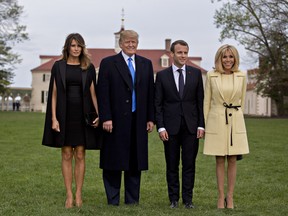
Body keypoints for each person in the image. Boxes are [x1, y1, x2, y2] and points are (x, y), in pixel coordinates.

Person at [42, 33, 100, 208]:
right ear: (67, 47)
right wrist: (53, 118)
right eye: (73, 45)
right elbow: (53, 94)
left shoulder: (88, 67)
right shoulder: (58, 66)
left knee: (81, 154)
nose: (76, 49)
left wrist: (98, 114)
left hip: (82, 115)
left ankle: (79, 194)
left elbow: (93, 93)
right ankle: (69, 195)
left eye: (79, 46)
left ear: (82, 48)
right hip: (63, 114)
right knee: (67, 153)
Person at [97, 30, 154, 206]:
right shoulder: (108, 63)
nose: (131, 45)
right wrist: (106, 117)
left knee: (135, 160)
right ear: (121, 43)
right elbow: (102, 92)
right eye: (128, 42)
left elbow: (150, 93)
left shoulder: (146, 64)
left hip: (138, 119)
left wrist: (150, 118)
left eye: (134, 42)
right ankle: (113, 199)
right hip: (114, 120)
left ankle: (132, 200)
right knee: (113, 159)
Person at [154, 40, 205, 209]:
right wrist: (160, 127)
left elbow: (200, 102)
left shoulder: (196, 74)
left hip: (191, 127)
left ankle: (188, 200)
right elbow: (158, 104)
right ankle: (173, 199)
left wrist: (201, 125)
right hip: (170, 128)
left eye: (185, 52)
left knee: (189, 164)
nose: (183, 56)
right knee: (172, 164)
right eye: (180, 53)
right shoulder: (162, 76)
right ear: (172, 54)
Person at [203, 44, 249, 209]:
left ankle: (230, 197)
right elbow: (207, 101)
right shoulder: (211, 75)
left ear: (235, 58)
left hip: (235, 120)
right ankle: (220, 196)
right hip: (216, 121)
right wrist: (207, 125)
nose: (228, 60)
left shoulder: (242, 76)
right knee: (220, 159)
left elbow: (242, 101)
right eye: (224, 57)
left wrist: (237, 118)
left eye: (231, 57)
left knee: (232, 159)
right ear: (219, 58)